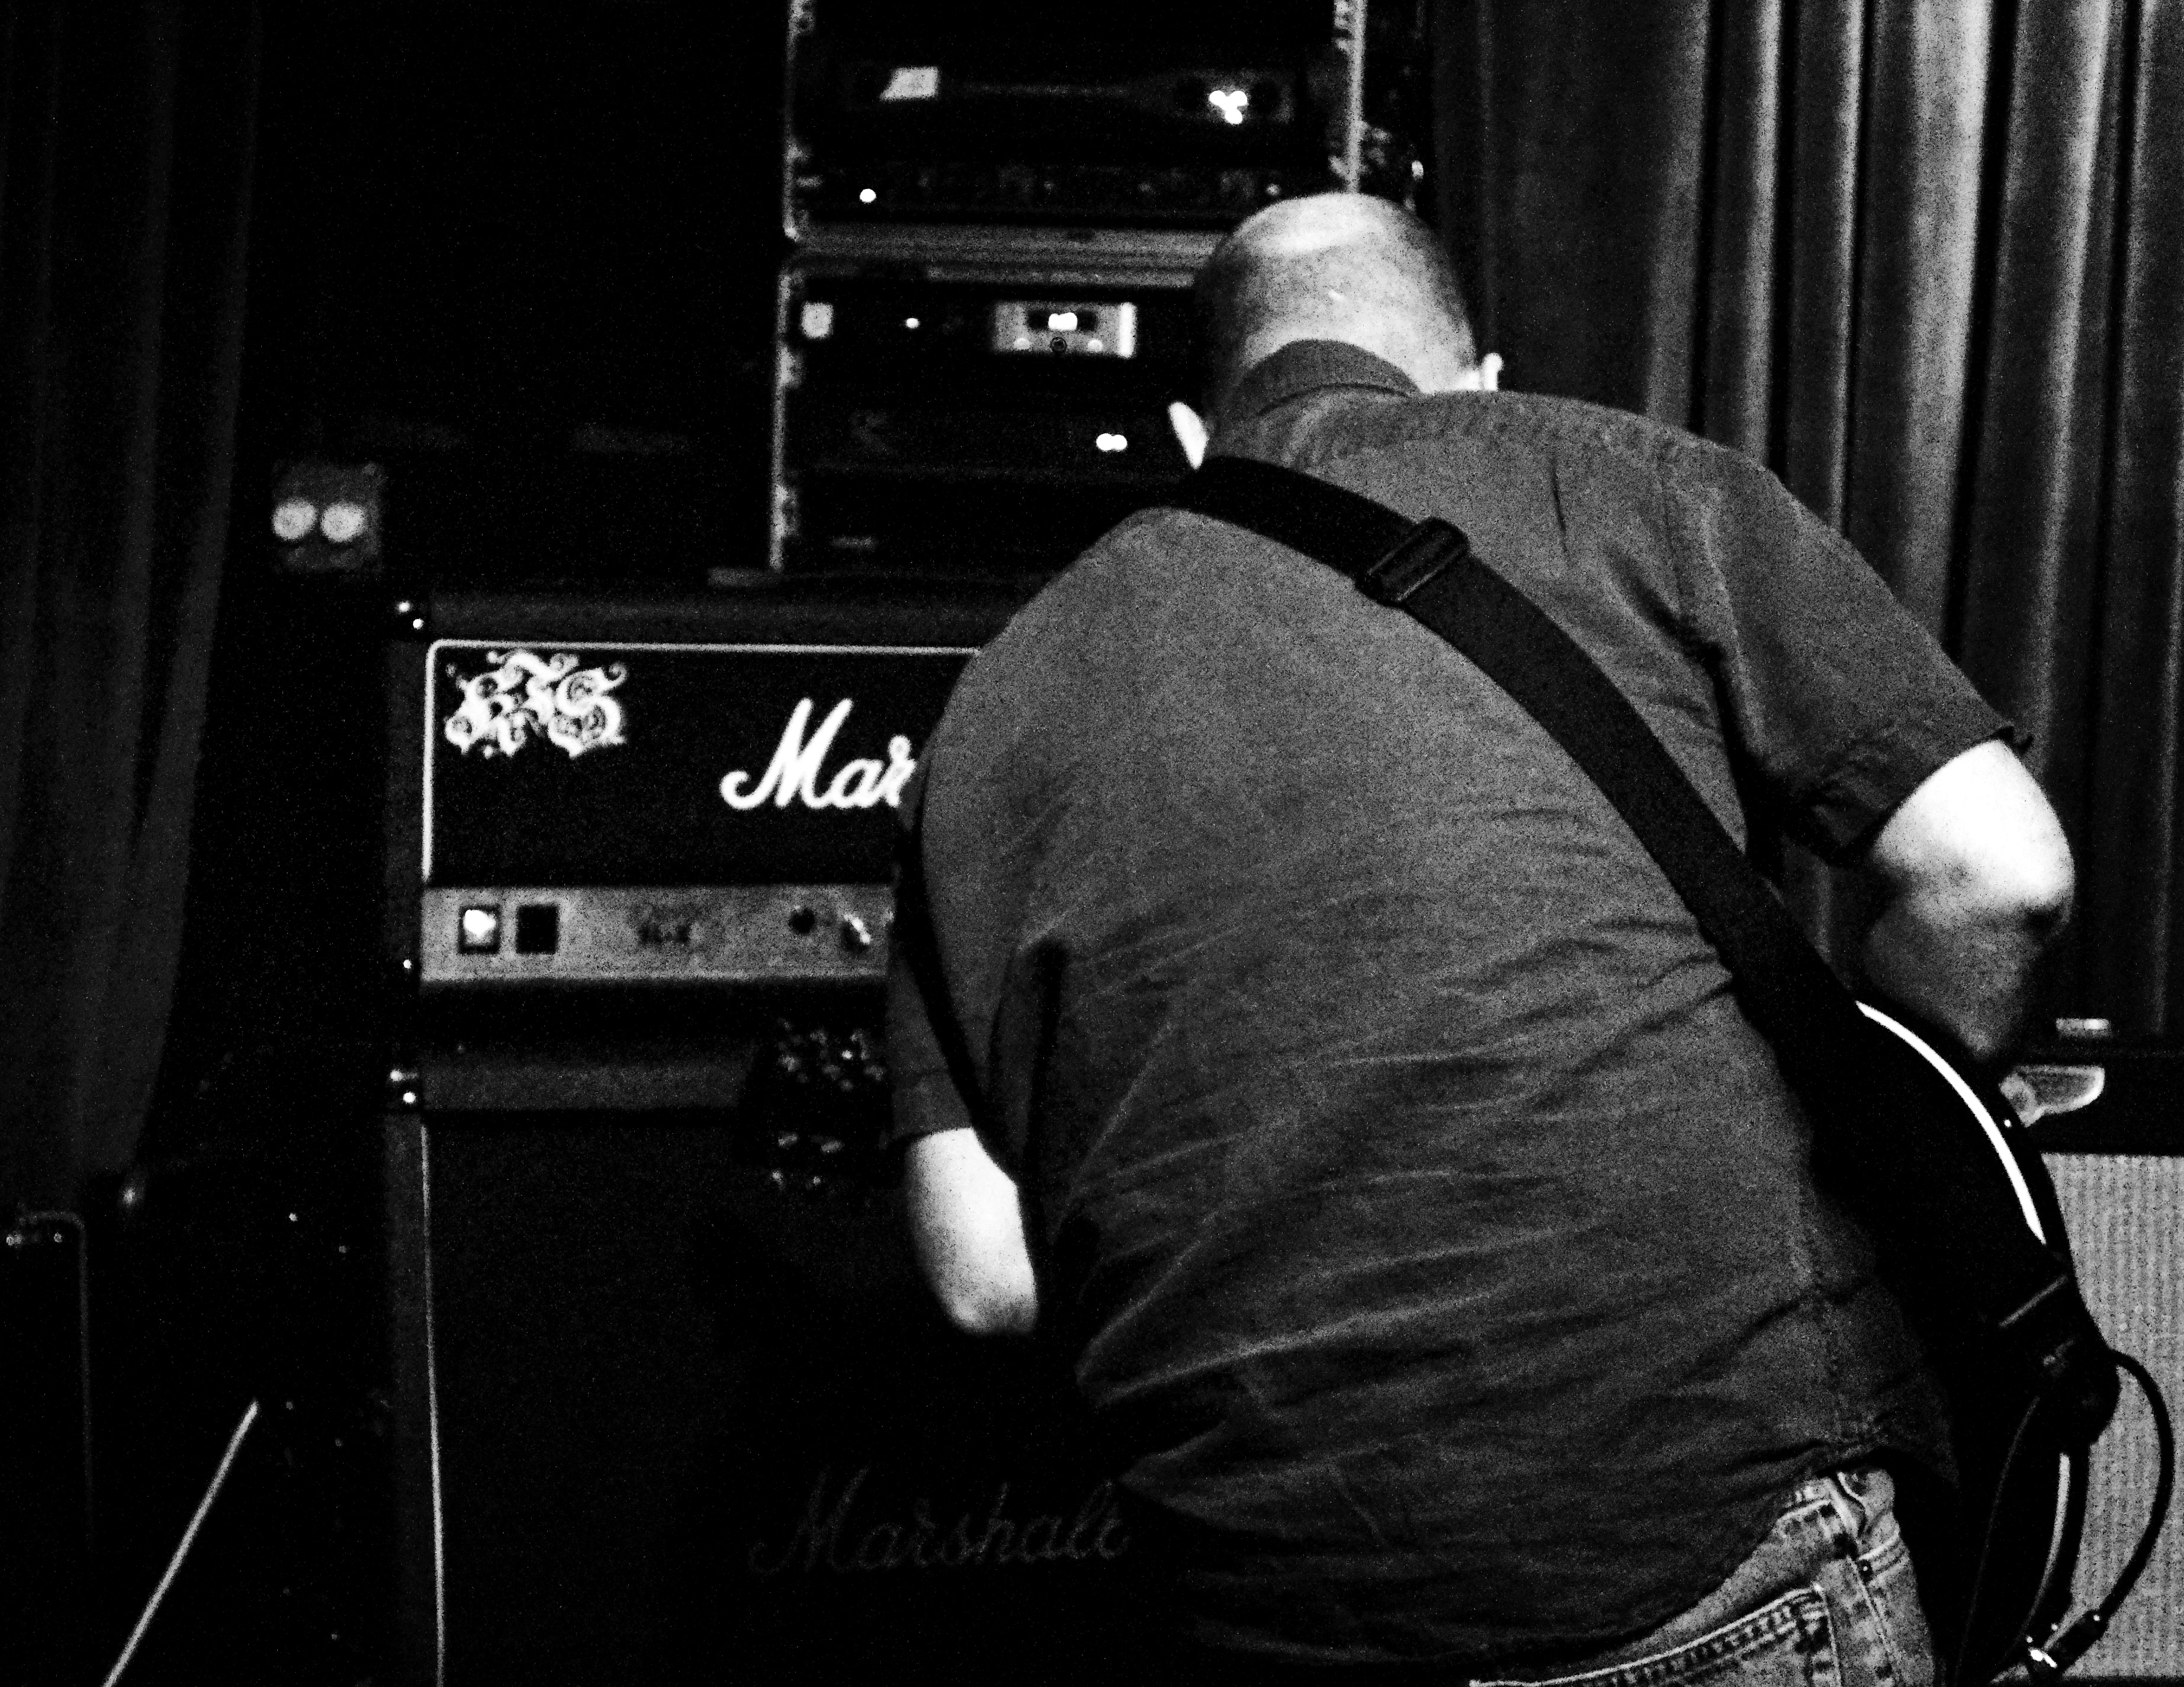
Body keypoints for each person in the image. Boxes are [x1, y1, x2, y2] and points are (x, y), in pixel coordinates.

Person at [883, 193, 2076, 1681]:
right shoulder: (1621, 481)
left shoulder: (994, 704)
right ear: (1478, 378)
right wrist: (1886, 1128)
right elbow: (1996, 873)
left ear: (1193, 436)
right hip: (1700, 1526)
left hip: (1266, 1598)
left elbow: (982, 1272)